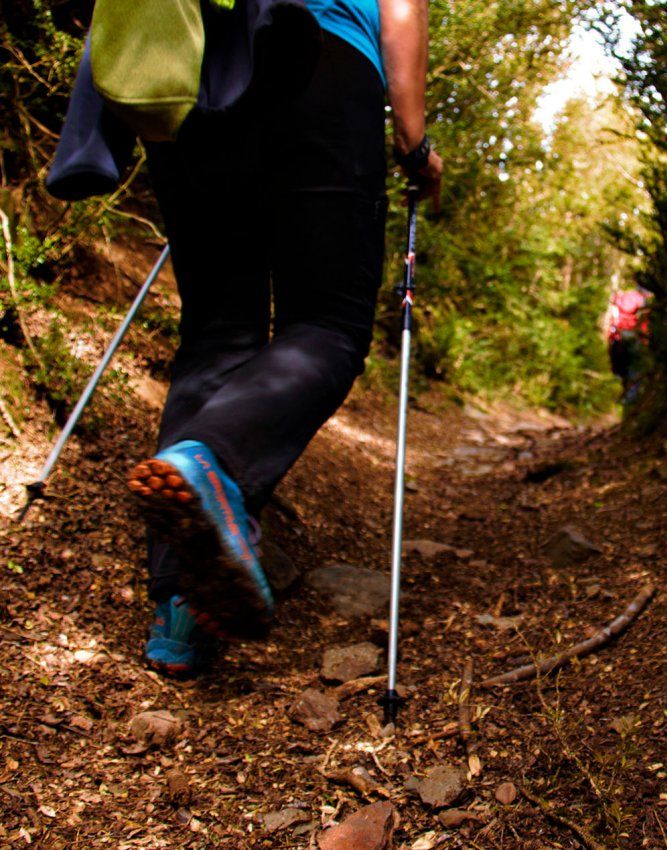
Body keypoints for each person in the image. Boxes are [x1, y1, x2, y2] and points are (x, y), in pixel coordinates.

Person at [125, 0, 443, 675]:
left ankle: (178, 613)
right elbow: (400, 11)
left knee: (216, 334)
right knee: (328, 324)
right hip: (318, 64)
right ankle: (213, 458)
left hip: (188, 63)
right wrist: (414, 145)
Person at [607, 286, 650, 405]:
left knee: (623, 367)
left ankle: (624, 397)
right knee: (635, 367)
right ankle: (630, 399)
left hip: (619, 335)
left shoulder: (623, 297)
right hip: (634, 337)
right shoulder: (641, 301)